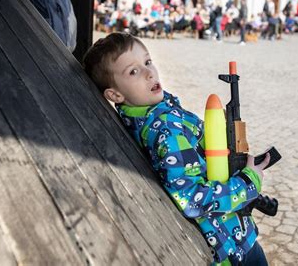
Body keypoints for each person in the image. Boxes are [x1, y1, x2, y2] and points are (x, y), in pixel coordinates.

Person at [83, 32, 272, 265]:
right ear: (115, 94)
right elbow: (193, 199)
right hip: (231, 246)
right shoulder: (166, 131)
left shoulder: (160, 114)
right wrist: (248, 183)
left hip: (232, 234)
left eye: (147, 62)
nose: (149, 72)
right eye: (133, 71)